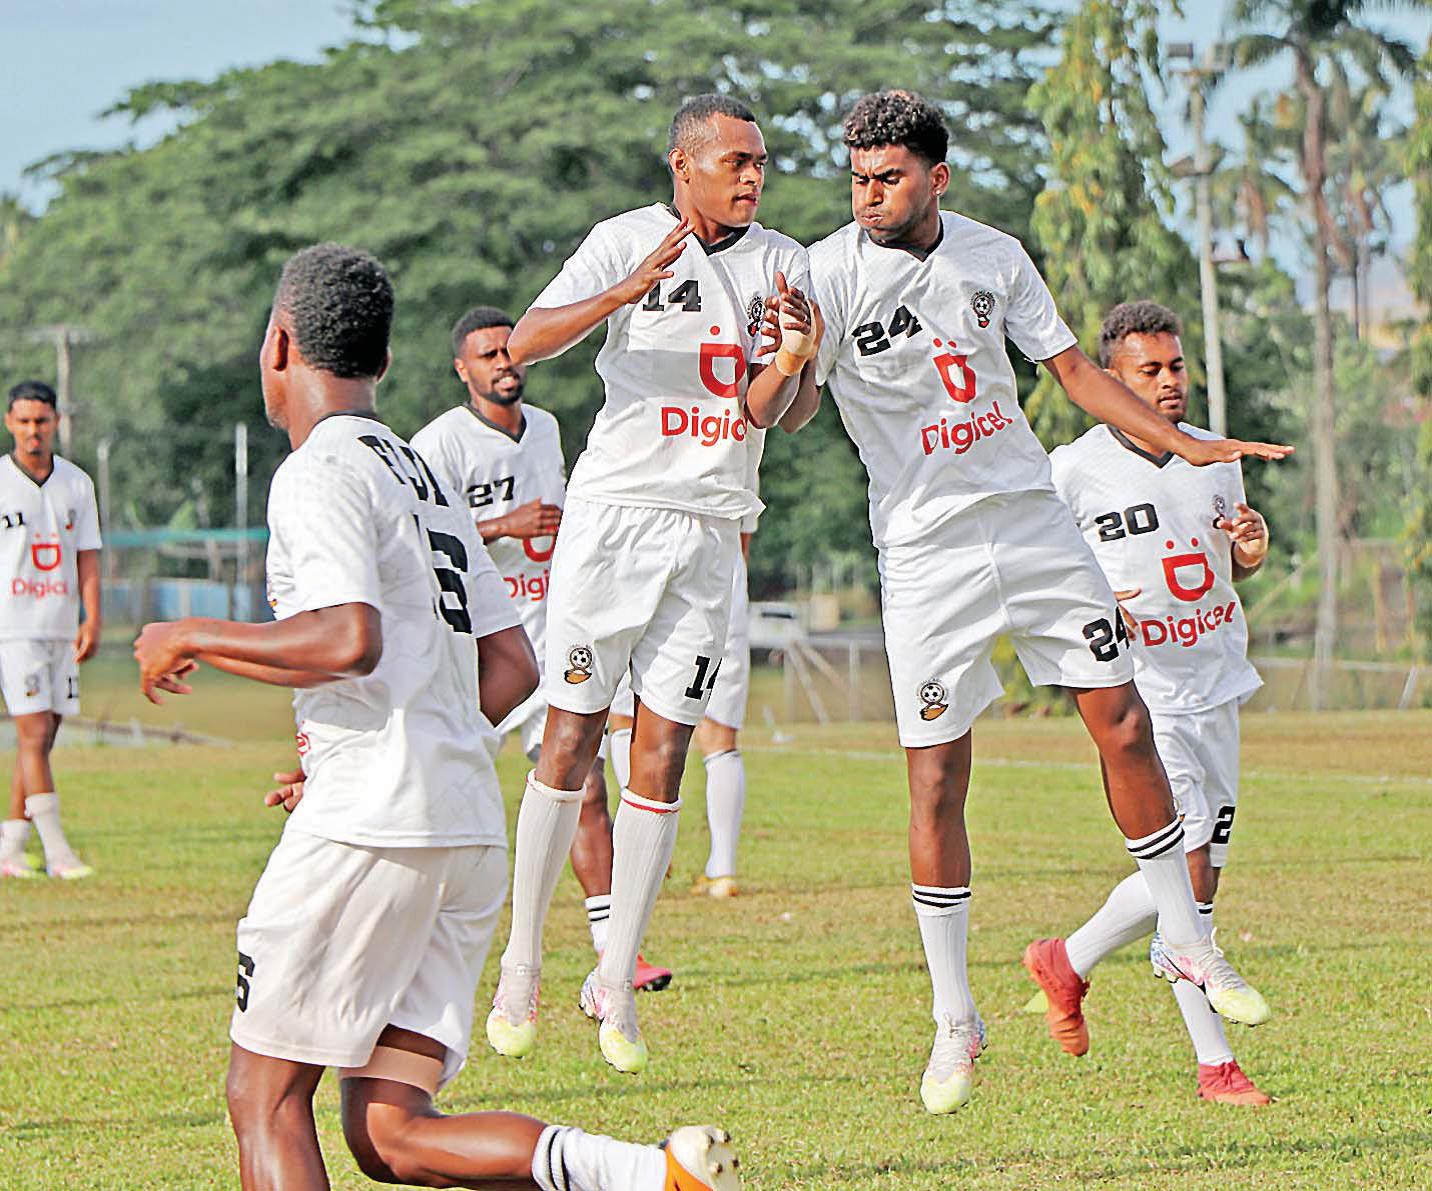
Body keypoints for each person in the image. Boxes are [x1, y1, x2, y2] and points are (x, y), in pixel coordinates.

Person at [132, 243, 741, 1191]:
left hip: (375, 818)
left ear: (279, 343)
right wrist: (379, 740)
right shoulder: (422, 473)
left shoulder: (320, 469)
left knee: (264, 1095)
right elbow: (509, 665)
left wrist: (192, 634)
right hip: (459, 824)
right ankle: (651, 1174)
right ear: (381, 360)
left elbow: (346, 638)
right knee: (391, 1130)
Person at [784, 90, 1289, 1114]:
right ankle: (952, 1018)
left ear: (937, 176)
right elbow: (783, 414)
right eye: (857, 179)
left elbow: (1068, 373)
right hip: (925, 552)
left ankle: (1189, 949)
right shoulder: (821, 272)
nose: (868, 196)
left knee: (1124, 719)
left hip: (1028, 522)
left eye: (887, 177)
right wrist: (793, 357)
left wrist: (1186, 443)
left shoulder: (994, 255)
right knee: (935, 782)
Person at [487, 93, 818, 1075]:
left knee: (665, 752)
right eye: (734, 162)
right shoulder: (625, 239)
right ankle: (520, 962)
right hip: (615, 521)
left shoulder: (785, 264)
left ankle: (616, 978)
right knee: (574, 732)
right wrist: (621, 291)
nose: (752, 177)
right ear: (683, 165)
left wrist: (795, 359)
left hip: (712, 532)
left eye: (760, 162)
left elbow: (778, 417)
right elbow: (525, 342)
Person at [1023, 301, 1272, 1106]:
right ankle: (1216, 1064)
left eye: (1176, 368)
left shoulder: (1213, 458)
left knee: (1198, 883)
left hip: (1218, 681)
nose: (1168, 384)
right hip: (1145, 694)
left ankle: (1067, 958)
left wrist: (1249, 550)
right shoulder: (1074, 469)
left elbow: (1231, 560)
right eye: (1148, 371)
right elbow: (1036, 567)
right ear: (1110, 380)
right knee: (1189, 875)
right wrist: (1097, 604)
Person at [410, 304, 672, 1023]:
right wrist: (500, 525)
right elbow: (414, 533)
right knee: (436, 784)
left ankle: (612, 951)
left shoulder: (550, 429)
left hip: (549, 632)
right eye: (488, 355)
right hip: (478, 648)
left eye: (511, 350)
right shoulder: (438, 444)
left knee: (583, 782)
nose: (505, 363)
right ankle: (413, 930)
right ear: (462, 370)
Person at [0, 380, 101, 881]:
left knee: (42, 737)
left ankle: (10, 846)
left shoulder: (76, 484)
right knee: (34, 732)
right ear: (9, 423)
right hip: (13, 628)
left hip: (61, 625)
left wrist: (92, 616)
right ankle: (59, 853)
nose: (32, 431)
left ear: (56, 422)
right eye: (23, 421)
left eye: (41, 421)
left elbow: (88, 555)